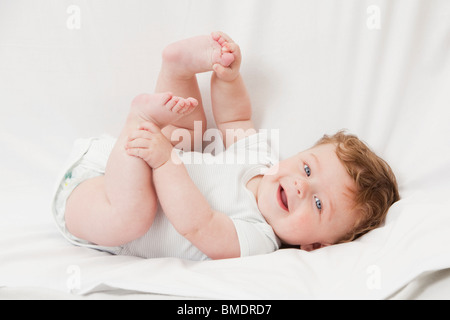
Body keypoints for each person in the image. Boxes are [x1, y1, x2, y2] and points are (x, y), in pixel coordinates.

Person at [53, 32, 400, 260]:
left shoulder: (259, 241)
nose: (300, 185)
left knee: (133, 217)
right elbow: (235, 119)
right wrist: (228, 77)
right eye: (308, 169)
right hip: (121, 159)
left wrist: (164, 163)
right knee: (192, 135)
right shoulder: (263, 162)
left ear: (315, 245)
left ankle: (139, 118)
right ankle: (178, 69)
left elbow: (199, 225)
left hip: (94, 202)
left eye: (319, 203)